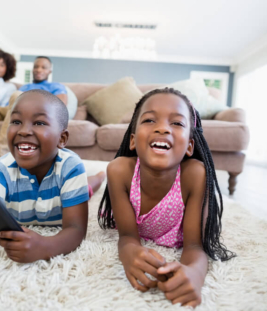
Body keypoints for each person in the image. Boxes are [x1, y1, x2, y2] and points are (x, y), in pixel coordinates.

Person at [98, 88, 235, 308]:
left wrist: (194, 274)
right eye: (150, 120)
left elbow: (194, 246)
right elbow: (127, 237)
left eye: (177, 123)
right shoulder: (118, 171)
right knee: (92, 185)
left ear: (190, 146)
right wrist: (129, 252)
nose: (162, 128)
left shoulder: (195, 175)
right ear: (132, 141)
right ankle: (94, 179)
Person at [0, 89, 105, 262]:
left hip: (66, 193)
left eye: (39, 123)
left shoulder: (71, 167)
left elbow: (76, 230)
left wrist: (45, 247)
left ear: (62, 138)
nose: (24, 131)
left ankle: (100, 176)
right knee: (83, 188)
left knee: (88, 187)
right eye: (16, 121)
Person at [0, 56, 68, 171]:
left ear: (49, 71)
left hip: (30, 114)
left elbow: (60, 106)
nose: (39, 69)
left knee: (17, 95)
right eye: (36, 67)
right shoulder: (25, 87)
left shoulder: (56, 86)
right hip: (10, 111)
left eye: (43, 67)